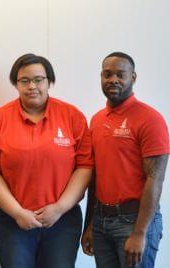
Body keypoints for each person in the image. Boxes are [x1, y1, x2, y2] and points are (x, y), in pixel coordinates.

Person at [0, 53, 93, 268]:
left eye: (39, 79)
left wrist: (59, 208)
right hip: (14, 221)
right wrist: (17, 212)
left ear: (49, 81)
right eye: (24, 80)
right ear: (16, 84)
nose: (32, 86)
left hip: (63, 220)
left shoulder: (71, 116)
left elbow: (85, 166)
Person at [81, 52, 169, 268]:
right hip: (101, 221)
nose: (113, 80)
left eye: (121, 74)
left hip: (134, 222)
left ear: (133, 77)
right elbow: (96, 176)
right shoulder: (97, 120)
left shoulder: (150, 119)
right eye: (107, 74)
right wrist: (90, 224)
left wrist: (140, 233)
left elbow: (155, 179)